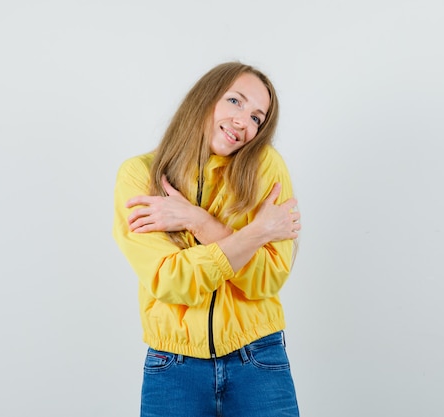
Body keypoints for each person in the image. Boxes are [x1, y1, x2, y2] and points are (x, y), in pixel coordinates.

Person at [112, 61, 302, 417]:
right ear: (205, 98)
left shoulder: (265, 167)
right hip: (172, 368)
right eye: (235, 101)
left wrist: (197, 220)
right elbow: (171, 281)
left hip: (259, 357)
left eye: (258, 118)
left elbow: (267, 278)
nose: (244, 121)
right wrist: (256, 232)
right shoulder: (140, 176)